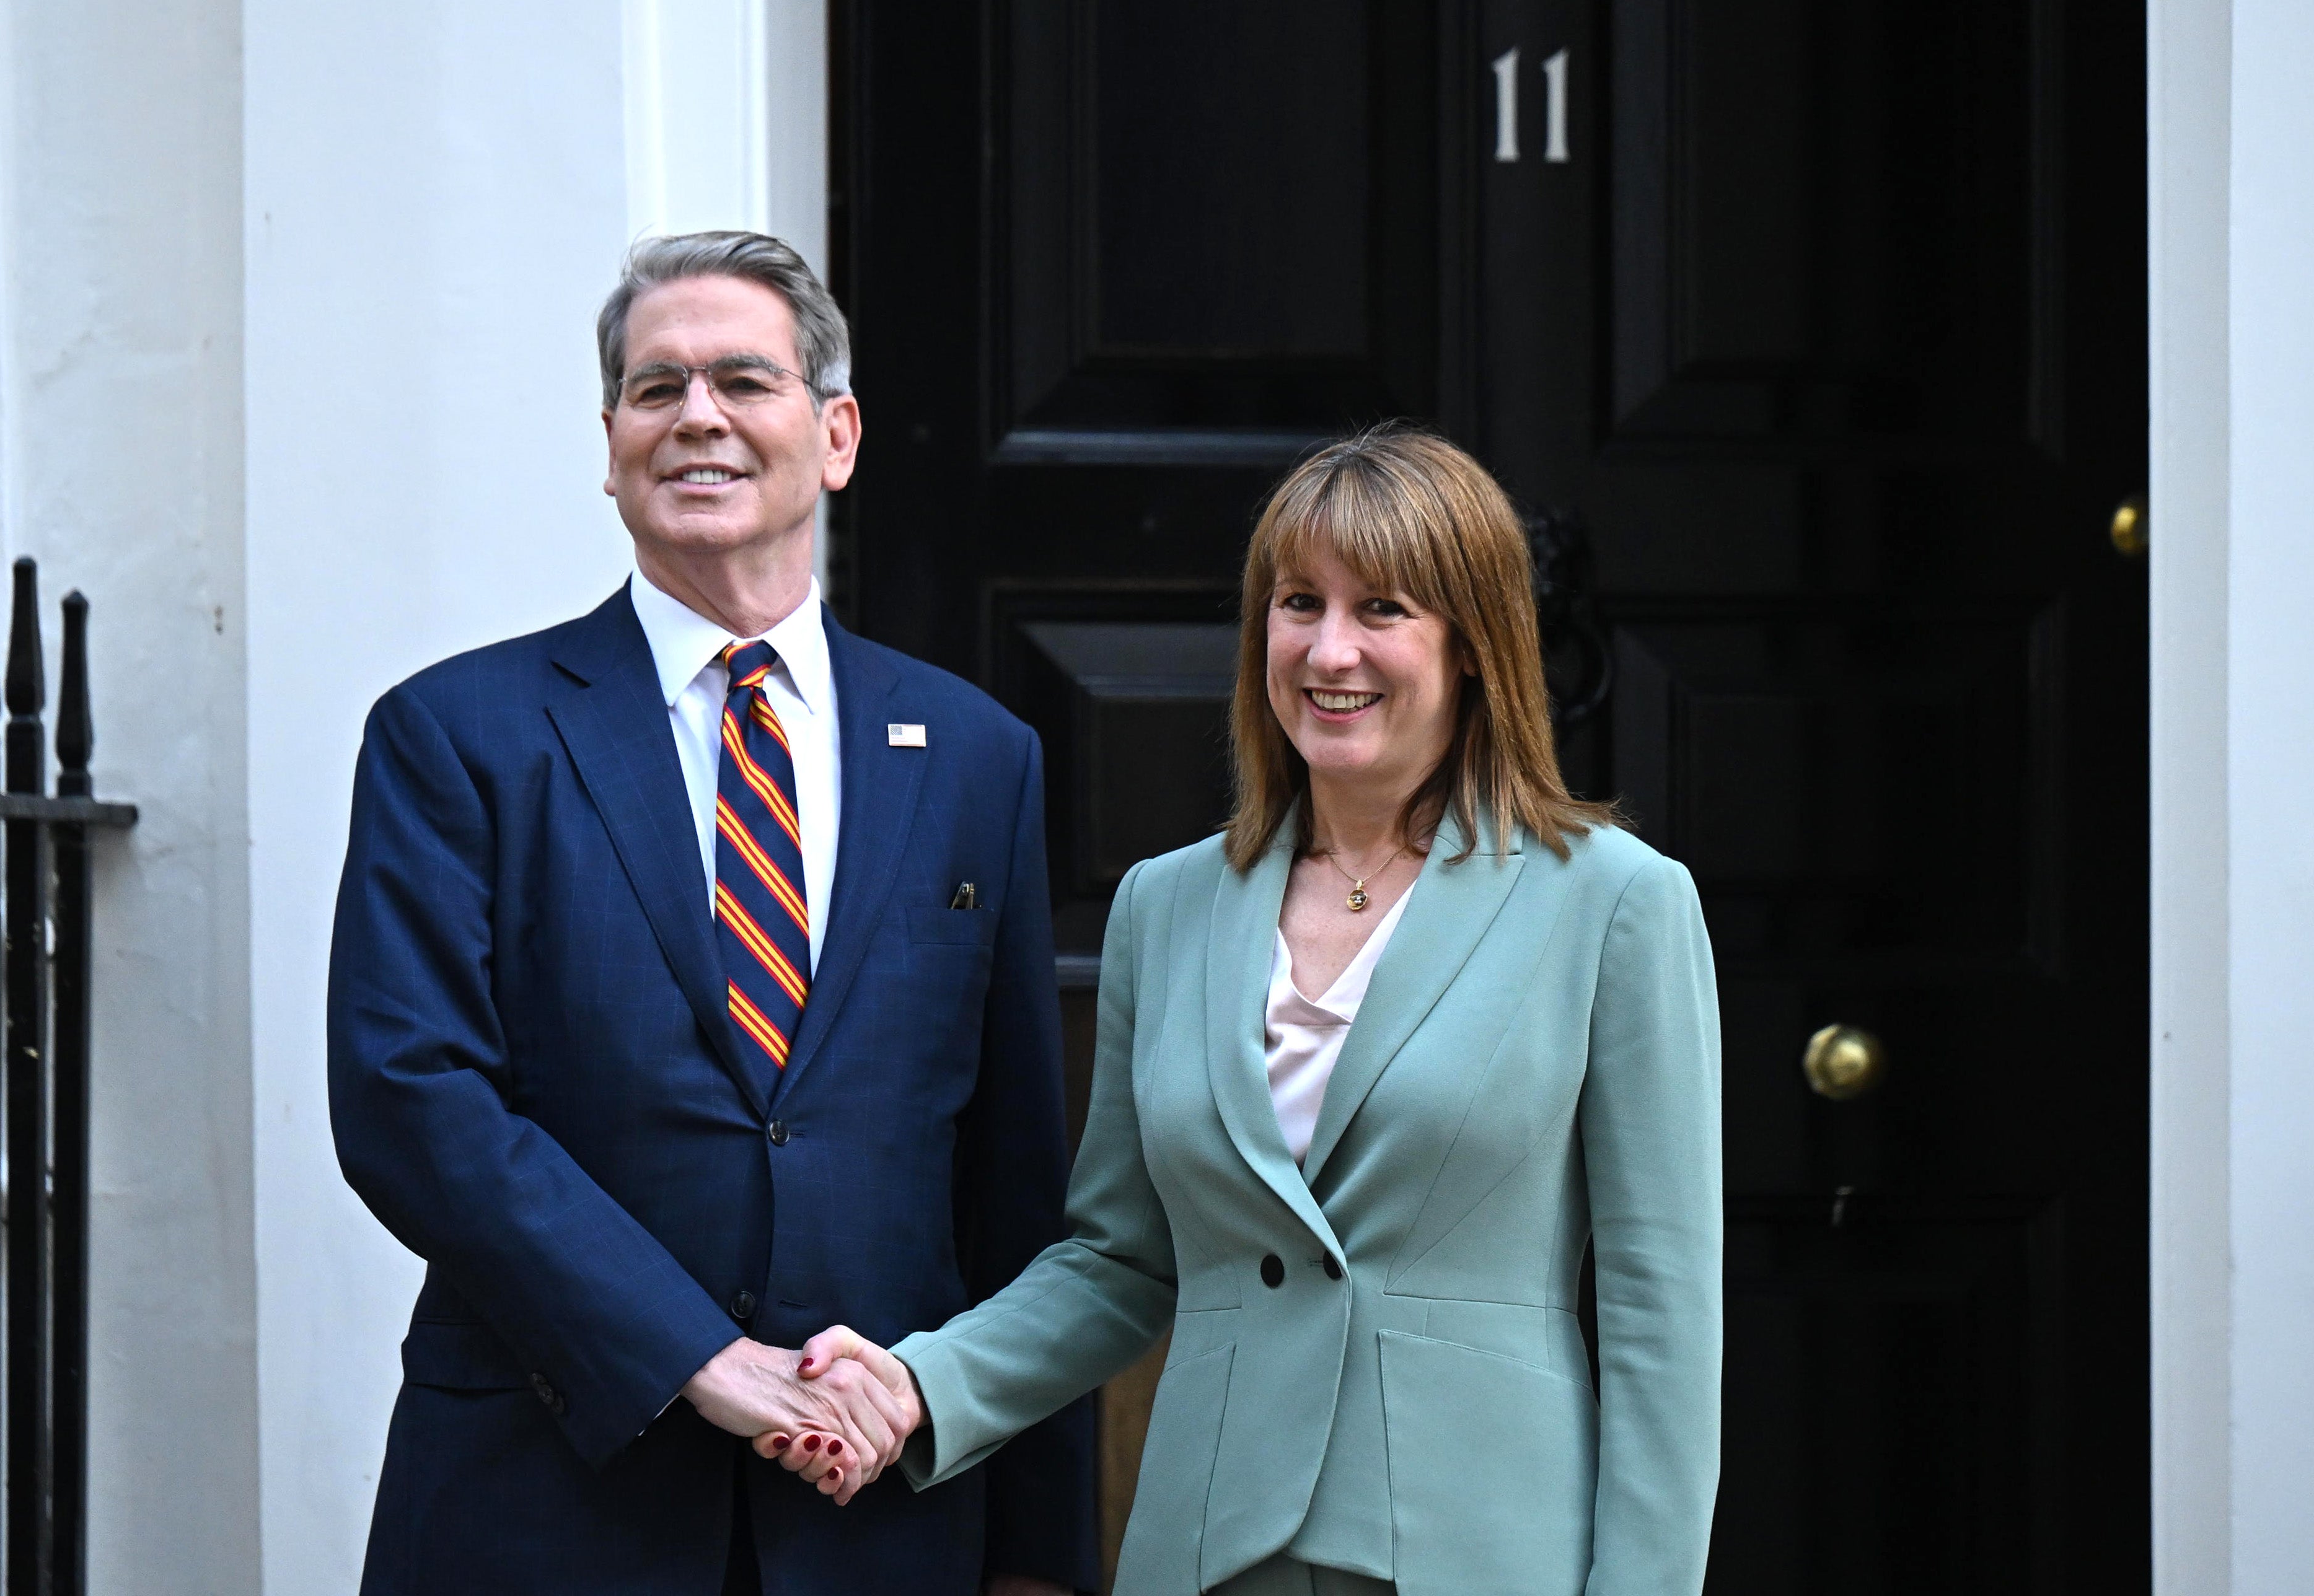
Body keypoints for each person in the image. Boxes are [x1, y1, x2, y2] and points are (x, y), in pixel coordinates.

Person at [761, 426, 1723, 1595]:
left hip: (1488, 1546)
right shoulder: (1167, 908)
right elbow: (1120, 1262)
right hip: (1208, 1547)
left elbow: (1659, 1321)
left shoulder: (1615, 903)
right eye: (1297, 603)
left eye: (1383, 609)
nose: (1330, 649)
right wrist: (922, 1385)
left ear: (1473, 644)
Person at [327, 230, 1091, 1596]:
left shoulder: (978, 755)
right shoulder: (457, 736)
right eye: (654, 387)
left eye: (744, 379)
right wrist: (699, 1357)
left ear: (837, 435)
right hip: (548, 1510)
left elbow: (1017, 1179)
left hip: (882, 1526)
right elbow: (410, 1097)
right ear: (611, 440)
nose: (698, 417)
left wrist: (1038, 1554)